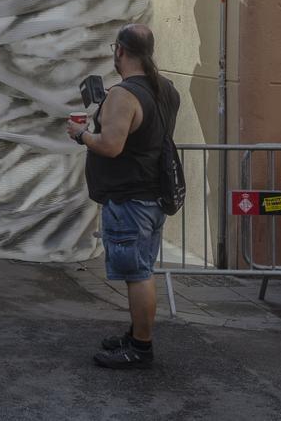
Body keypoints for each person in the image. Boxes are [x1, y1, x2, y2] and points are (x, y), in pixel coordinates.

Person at [66, 23, 179, 370]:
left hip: (130, 198)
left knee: (137, 273)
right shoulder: (167, 89)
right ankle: (136, 335)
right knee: (141, 269)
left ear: (120, 51)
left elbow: (111, 145)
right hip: (152, 194)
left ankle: (141, 347)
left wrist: (81, 134)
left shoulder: (124, 94)